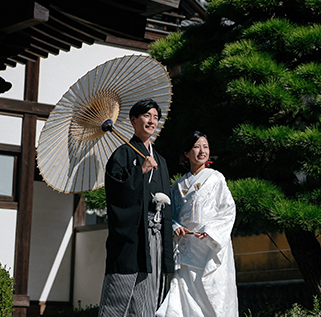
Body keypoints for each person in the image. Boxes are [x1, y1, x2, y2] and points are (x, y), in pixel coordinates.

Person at [98, 99, 175, 317]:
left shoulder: (160, 160)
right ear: (133, 120)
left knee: (147, 297)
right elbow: (115, 194)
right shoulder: (122, 155)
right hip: (131, 236)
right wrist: (139, 171)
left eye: (155, 117)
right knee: (119, 294)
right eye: (146, 116)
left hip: (156, 238)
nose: (151, 121)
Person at [156, 131, 238, 317]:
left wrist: (210, 231)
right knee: (183, 296)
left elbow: (227, 210)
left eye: (205, 146)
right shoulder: (178, 185)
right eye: (197, 146)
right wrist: (175, 227)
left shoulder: (216, 178)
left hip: (209, 246)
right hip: (186, 248)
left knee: (212, 294)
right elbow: (171, 214)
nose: (202, 151)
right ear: (186, 153)